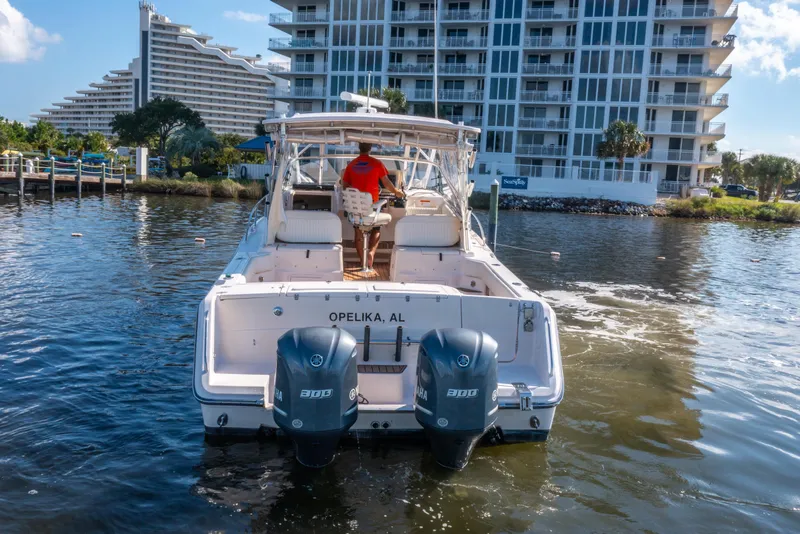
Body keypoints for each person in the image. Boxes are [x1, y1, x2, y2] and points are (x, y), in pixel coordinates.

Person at [342, 143, 405, 269]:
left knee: (358, 231)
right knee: (376, 229)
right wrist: (397, 192)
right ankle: (371, 253)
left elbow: (344, 185)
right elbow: (386, 183)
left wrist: (357, 194)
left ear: (358, 148)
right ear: (370, 148)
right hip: (372, 208)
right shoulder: (377, 163)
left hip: (356, 210)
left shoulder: (351, 165)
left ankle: (362, 260)